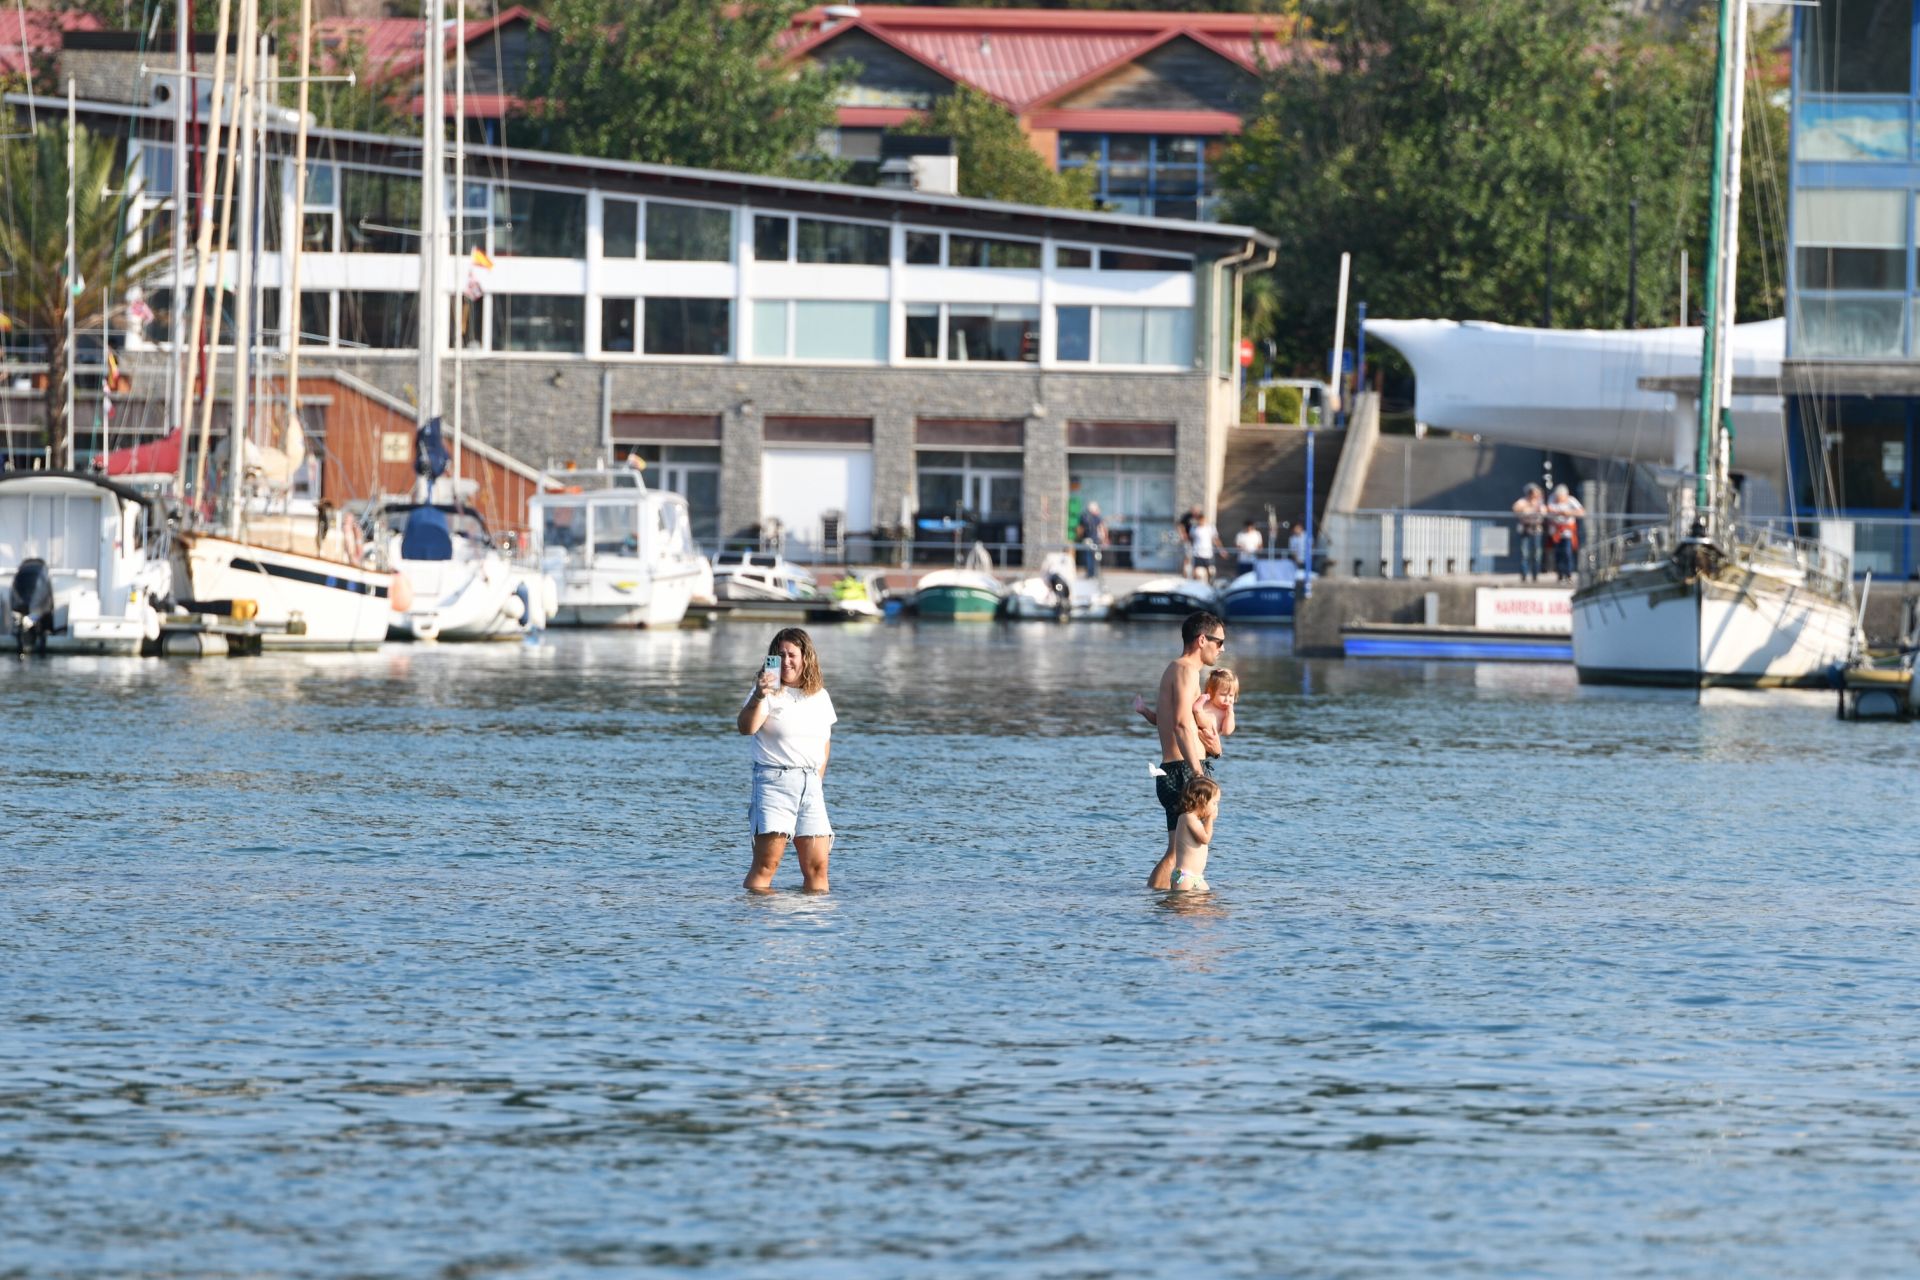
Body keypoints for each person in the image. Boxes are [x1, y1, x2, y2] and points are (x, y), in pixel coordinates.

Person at [735, 627, 837, 893]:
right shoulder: (768, 693)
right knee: (767, 865)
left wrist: (817, 783)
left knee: (818, 869)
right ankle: (761, 928)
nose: (786, 661)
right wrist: (759, 695)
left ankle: (811, 929)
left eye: (792, 655)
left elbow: (824, 743)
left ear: (806, 657)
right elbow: (746, 728)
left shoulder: (820, 696)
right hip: (774, 782)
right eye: (780, 655)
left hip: (811, 786)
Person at [1146, 611, 1226, 890]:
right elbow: (1180, 725)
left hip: (1181, 767)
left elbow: (1180, 724)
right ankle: (1157, 902)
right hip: (1181, 769)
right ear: (1202, 639)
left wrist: (1213, 752)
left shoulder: (1181, 671)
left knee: (1178, 852)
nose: (1222, 649)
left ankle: (1165, 903)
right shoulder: (1184, 670)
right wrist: (1195, 772)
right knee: (1178, 854)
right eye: (1219, 642)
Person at [1134, 666, 1238, 760]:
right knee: (1162, 719)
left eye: (1231, 696)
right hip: (1191, 726)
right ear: (1210, 692)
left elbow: (1227, 731)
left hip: (1207, 730)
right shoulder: (1205, 700)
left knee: (1209, 723)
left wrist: (1230, 714)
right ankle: (1143, 710)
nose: (1227, 700)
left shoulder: (1225, 712)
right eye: (1223, 695)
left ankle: (1198, 710)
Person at [1168, 775, 1221, 892]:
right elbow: (1205, 838)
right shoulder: (1187, 817)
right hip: (1185, 877)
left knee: (1207, 905)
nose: (1216, 808)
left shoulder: (1195, 820)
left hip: (1197, 878)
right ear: (1202, 800)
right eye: (1214, 803)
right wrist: (1210, 819)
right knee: (1185, 908)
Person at [1547, 483, 1585, 582]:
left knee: (1567, 553)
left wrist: (1569, 512)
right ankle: (1560, 575)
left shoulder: (1571, 500)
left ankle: (1568, 574)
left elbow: (1581, 512)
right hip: (1556, 531)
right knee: (1558, 553)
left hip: (1567, 531)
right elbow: (1549, 510)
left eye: (1560, 497)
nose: (1558, 499)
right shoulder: (1552, 498)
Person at [1512, 483, 1546, 582]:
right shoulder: (1523, 501)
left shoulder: (1540, 503)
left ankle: (1535, 575)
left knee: (1536, 553)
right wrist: (1528, 507)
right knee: (1524, 553)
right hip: (1525, 529)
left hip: (1536, 529)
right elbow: (1516, 508)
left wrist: (1534, 508)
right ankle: (1524, 574)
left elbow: (1544, 512)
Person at [1076, 501, 1109, 578]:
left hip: (1087, 539)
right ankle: (1094, 573)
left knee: (1088, 556)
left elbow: (1080, 528)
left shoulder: (1083, 517)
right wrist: (1104, 538)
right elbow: (1102, 527)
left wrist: (1079, 537)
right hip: (1095, 539)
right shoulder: (1097, 518)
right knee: (1095, 556)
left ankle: (1090, 573)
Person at [1188, 512, 1220, 583]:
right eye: (1200, 520)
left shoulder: (1210, 528)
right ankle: (1194, 583)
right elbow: (1191, 539)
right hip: (1197, 552)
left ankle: (1210, 583)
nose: (1201, 521)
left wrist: (1221, 549)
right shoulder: (1194, 528)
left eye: (1203, 520)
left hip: (1207, 553)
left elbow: (1215, 539)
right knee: (1196, 570)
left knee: (1209, 570)